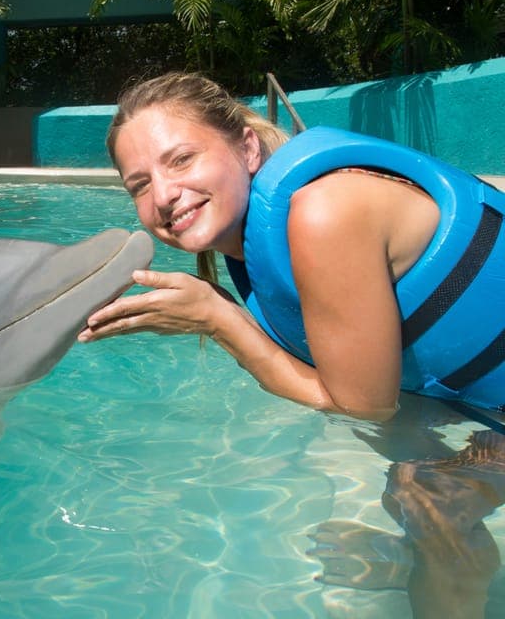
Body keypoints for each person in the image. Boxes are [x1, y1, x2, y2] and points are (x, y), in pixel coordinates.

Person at [77, 71, 505, 618]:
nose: (162, 195)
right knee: (417, 486)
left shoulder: (322, 213)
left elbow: (364, 408)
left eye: (181, 160)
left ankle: (447, 576)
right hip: (483, 404)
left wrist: (218, 320)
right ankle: (426, 562)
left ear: (247, 146)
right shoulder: (259, 234)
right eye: (139, 184)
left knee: (429, 495)